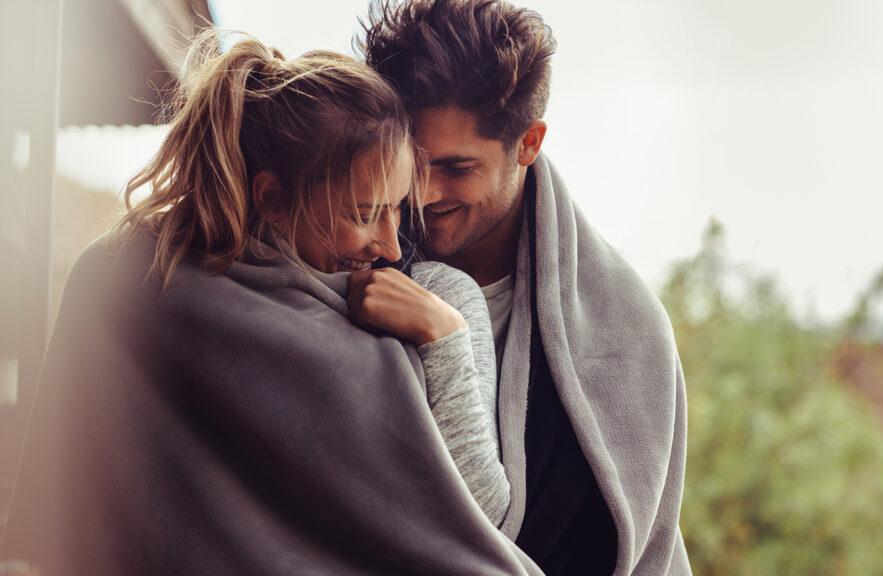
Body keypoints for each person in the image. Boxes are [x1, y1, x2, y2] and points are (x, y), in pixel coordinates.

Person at [2, 31, 536, 575]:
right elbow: (67, 513)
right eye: (362, 212)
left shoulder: (438, 301)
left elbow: (483, 523)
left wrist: (443, 335)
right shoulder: (131, 279)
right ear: (272, 199)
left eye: (398, 209)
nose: (392, 244)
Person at [361, 1, 693, 574]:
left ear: (529, 143)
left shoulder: (630, 332)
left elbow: (644, 544)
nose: (423, 192)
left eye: (457, 168)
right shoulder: (341, 257)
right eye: (411, 161)